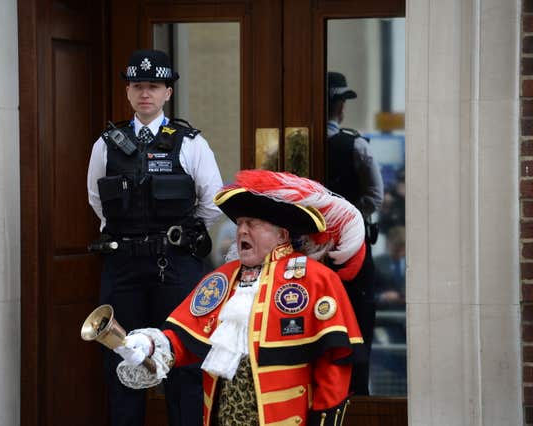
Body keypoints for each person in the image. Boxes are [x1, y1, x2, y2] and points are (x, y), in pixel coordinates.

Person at [110, 170, 367, 426]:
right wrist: (149, 345)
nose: (242, 231)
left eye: (252, 223)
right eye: (240, 224)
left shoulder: (315, 278)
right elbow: (185, 336)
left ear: (282, 235)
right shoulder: (222, 278)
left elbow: (334, 364)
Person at [86, 49, 223, 426]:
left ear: (167, 93)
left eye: (154, 86)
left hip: (175, 265)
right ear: (128, 92)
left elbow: (213, 201)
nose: (145, 93)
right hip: (124, 266)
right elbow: (97, 200)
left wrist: (176, 234)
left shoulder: (190, 142)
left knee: (184, 363)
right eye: (137, 86)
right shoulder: (106, 145)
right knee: (122, 365)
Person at [325, 71, 384, 395]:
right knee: (358, 327)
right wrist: (348, 217)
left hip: (308, 252)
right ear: (339, 108)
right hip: (353, 252)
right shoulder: (355, 144)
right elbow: (374, 197)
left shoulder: (291, 142)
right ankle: (358, 398)